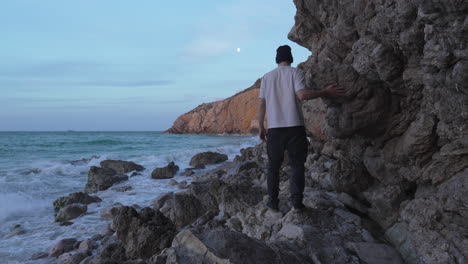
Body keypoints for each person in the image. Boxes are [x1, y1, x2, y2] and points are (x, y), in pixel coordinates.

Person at [257, 45, 345, 211]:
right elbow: (302, 95)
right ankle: (296, 204)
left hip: (275, 130)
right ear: (291, 58)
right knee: (297, 166)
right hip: (294, 128)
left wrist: (261, 127)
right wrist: (325, 91)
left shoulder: (266, 78)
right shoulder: (295, 72)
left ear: (277, 59)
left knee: (273, 168)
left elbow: (261, 105)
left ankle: (273, 204)